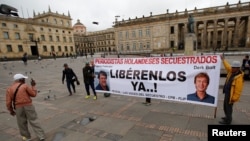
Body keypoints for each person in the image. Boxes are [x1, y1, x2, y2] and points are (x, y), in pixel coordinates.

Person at [6, 73, 45, 141]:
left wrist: (11, 110)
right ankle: (41, 136)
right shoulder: (25, 86)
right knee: (34, 121)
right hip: (28, 106)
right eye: (24, 79)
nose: (24, 80)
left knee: (21, 123)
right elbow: (33, 94)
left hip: (18, 108)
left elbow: (8, 102)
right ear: (20, 80)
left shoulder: (9, 89)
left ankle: (27, 138)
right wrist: (33, 86)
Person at [219, 56, 244, 125]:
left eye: (233, 67)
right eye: (232, 67)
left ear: (238, 68)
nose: (232, 68)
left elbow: (238, 90)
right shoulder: (231, 72)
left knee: (228, 108)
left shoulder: (239, 78)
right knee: (225, 106)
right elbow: (228, 66)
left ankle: (228, 120)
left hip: (231, 95)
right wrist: (223, 60)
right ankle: (227, 116)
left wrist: (234, 98)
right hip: (227, 93)